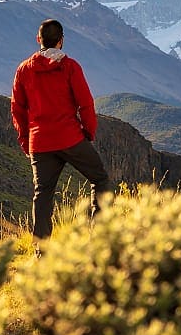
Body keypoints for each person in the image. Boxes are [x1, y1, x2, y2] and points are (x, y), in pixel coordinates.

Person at [11, 18, 113, 241]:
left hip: (40, 143)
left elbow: (17, 109)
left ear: (38, 39)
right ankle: (99, 237)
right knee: (100, 179)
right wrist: (89, 132)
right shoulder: (70, 67)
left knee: (43, 194)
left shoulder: (24, 69)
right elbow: (85, 103)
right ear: (61, 41)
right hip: (70, 138)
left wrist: (25, 140)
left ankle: (41, 249)